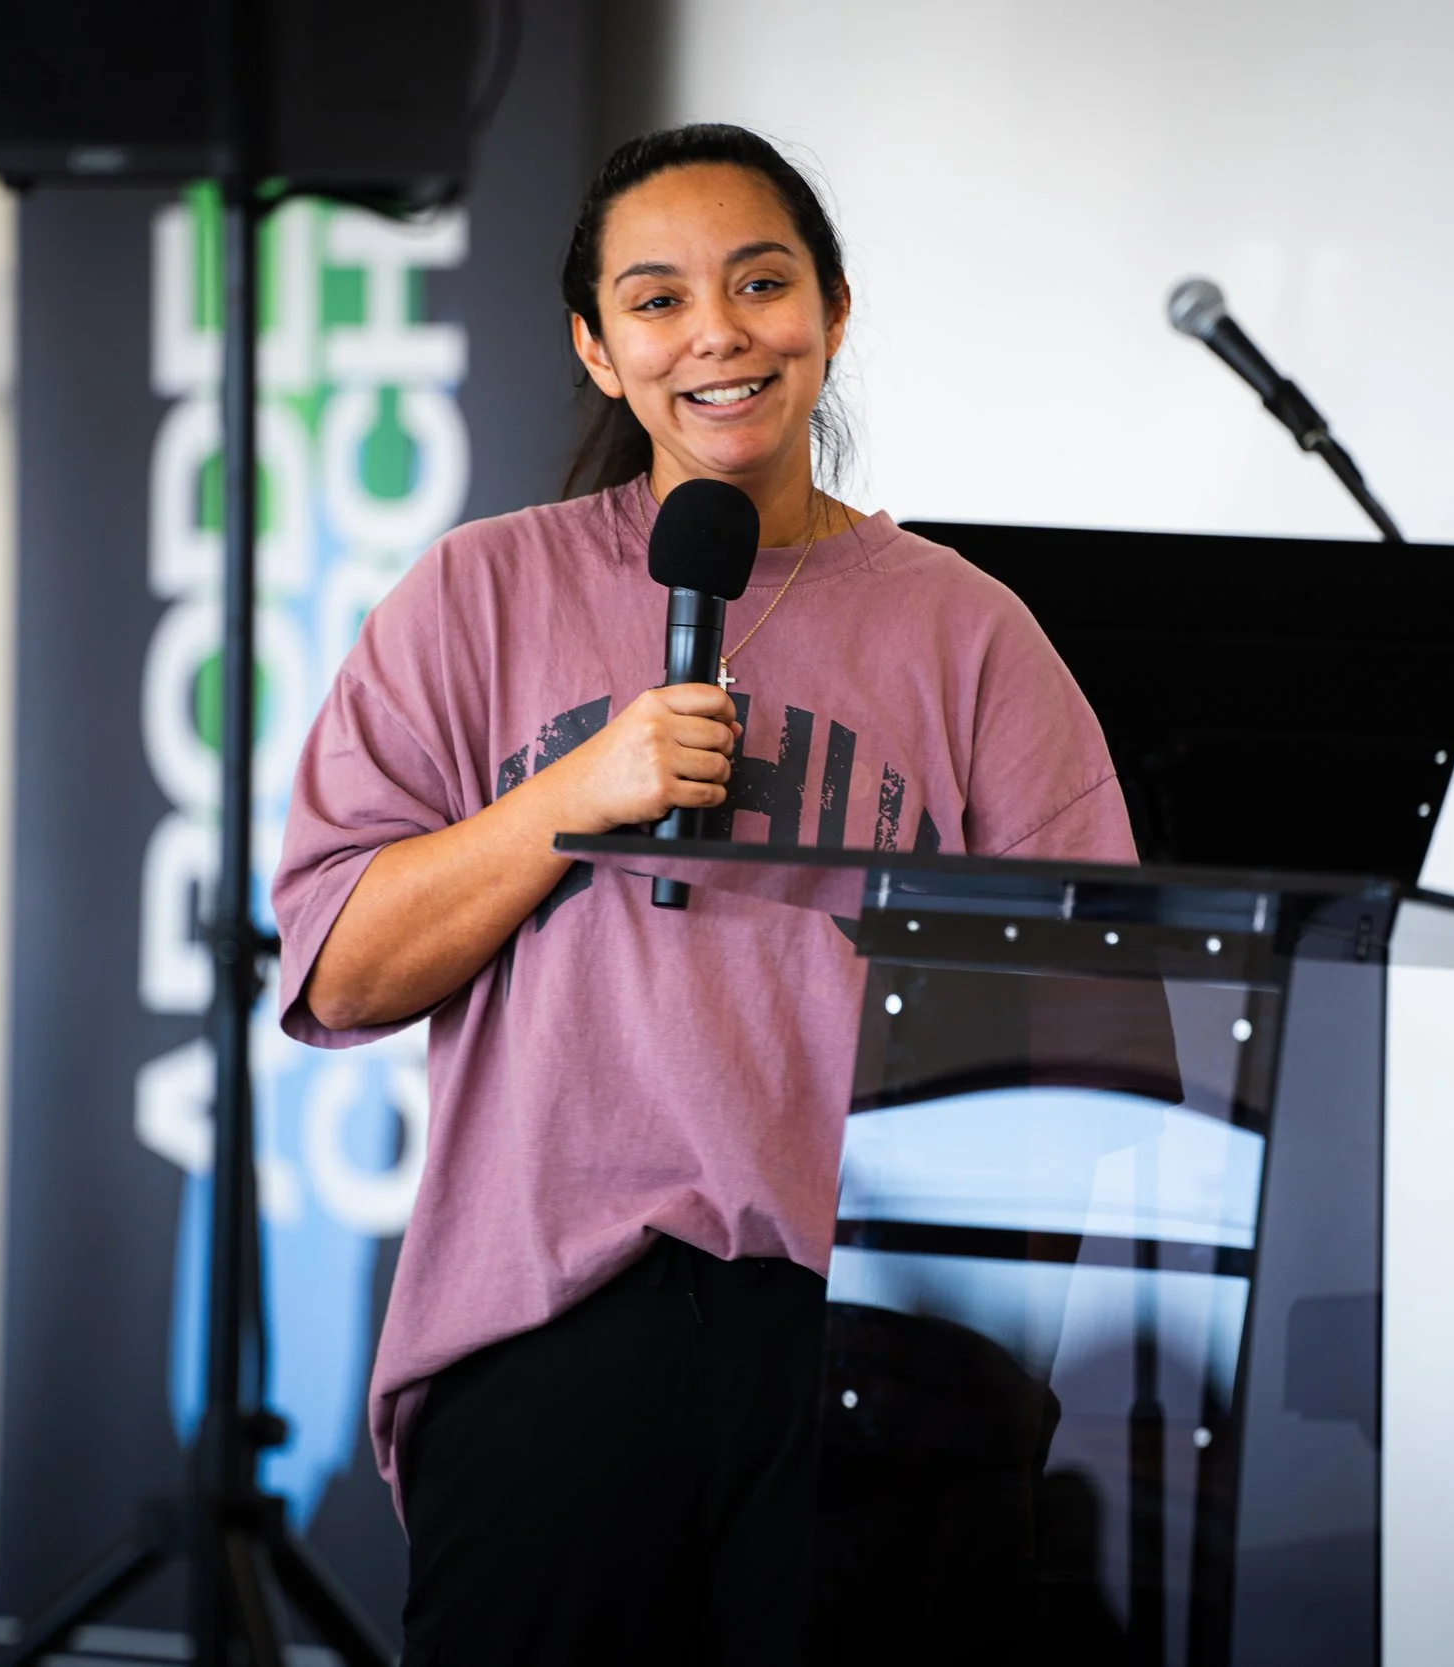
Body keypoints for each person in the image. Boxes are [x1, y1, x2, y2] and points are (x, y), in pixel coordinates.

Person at [272, 123, 1137, 1664]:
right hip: (545, 1329)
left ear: (835, 310)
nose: (719, 334)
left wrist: (991, 1354)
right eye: (659, 300)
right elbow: (338, 972)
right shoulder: (478, 595)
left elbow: (1101, 1009)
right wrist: (569, 800)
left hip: (877, 1342)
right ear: (599, 351)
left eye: (761, 282)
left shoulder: (969, 632)